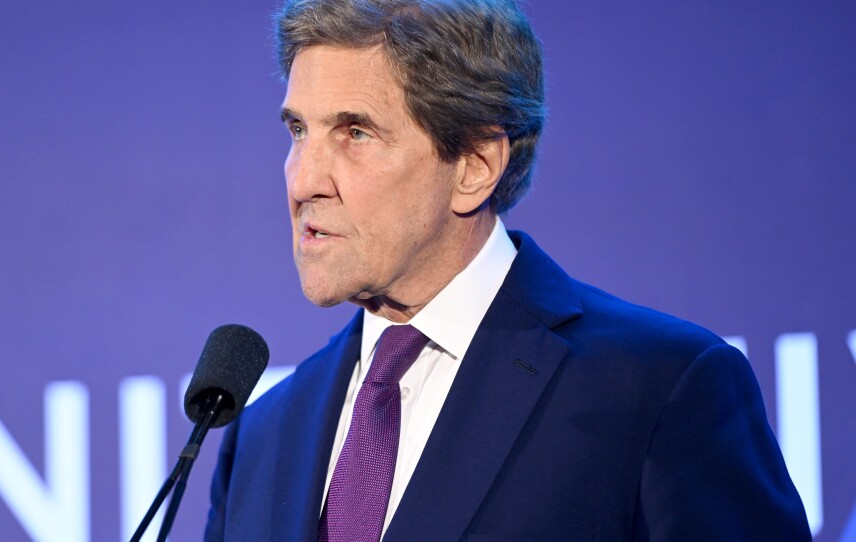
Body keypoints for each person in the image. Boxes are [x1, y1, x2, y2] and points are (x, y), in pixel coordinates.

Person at [205, 0, 811, 540]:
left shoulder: (658, 389)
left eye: (355, 132)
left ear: (474, 165)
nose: (305, 180)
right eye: (298, 130)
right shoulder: (261, 434)